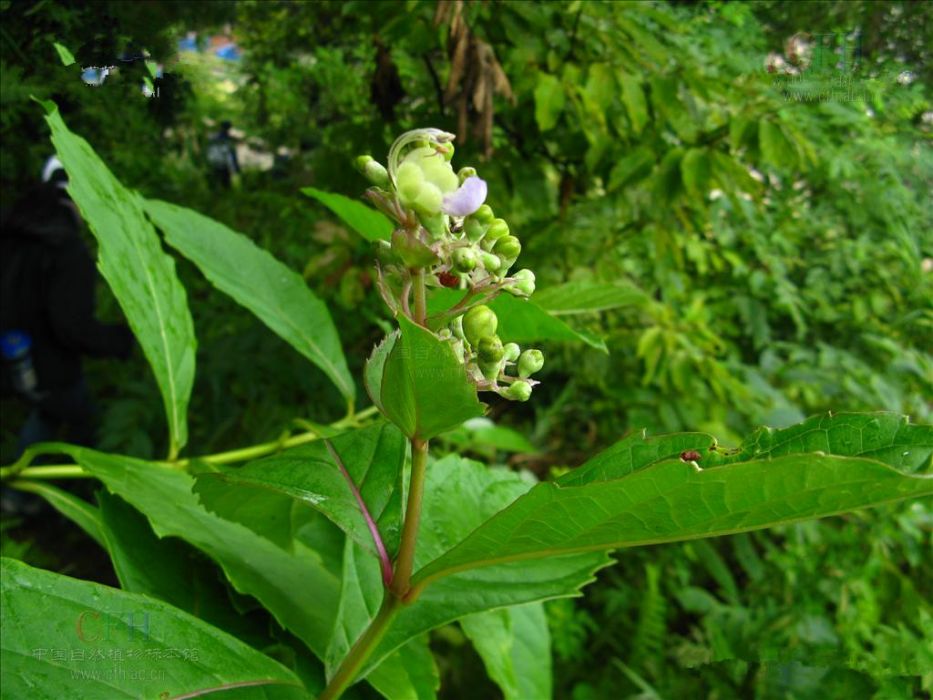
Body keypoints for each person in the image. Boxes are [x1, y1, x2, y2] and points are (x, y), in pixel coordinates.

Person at [1, 158, 133, 452]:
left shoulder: (14, 228)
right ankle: (36, 489)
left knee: (44, 411)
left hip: (13, 354)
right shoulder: (67, 250)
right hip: (50, 366)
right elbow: (73, 327)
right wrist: (122, 341)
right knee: (71, 415)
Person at [205, 120, 240, 188]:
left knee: (215, 184)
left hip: (213, 162)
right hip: (223, 164)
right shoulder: (229, 139)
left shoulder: (212, 137)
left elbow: (207, 150)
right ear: (229, 128)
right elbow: (232, 154)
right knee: (226, 184)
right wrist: (236, 167)